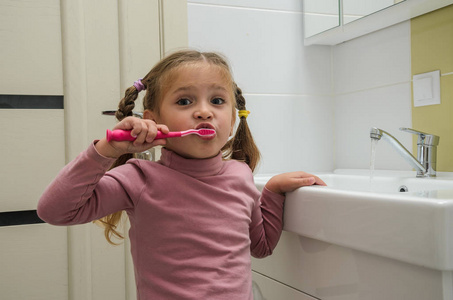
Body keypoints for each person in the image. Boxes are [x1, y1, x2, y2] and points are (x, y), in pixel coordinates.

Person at [37, 49, 325, 299]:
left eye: (217, 101)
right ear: (153, 120)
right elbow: (55, 211)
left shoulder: (240, 176)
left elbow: (260, 247)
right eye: (185, 102)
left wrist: (272, 191)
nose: (204, 112)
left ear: (234, 117)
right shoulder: (138, 178)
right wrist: (106, 150)